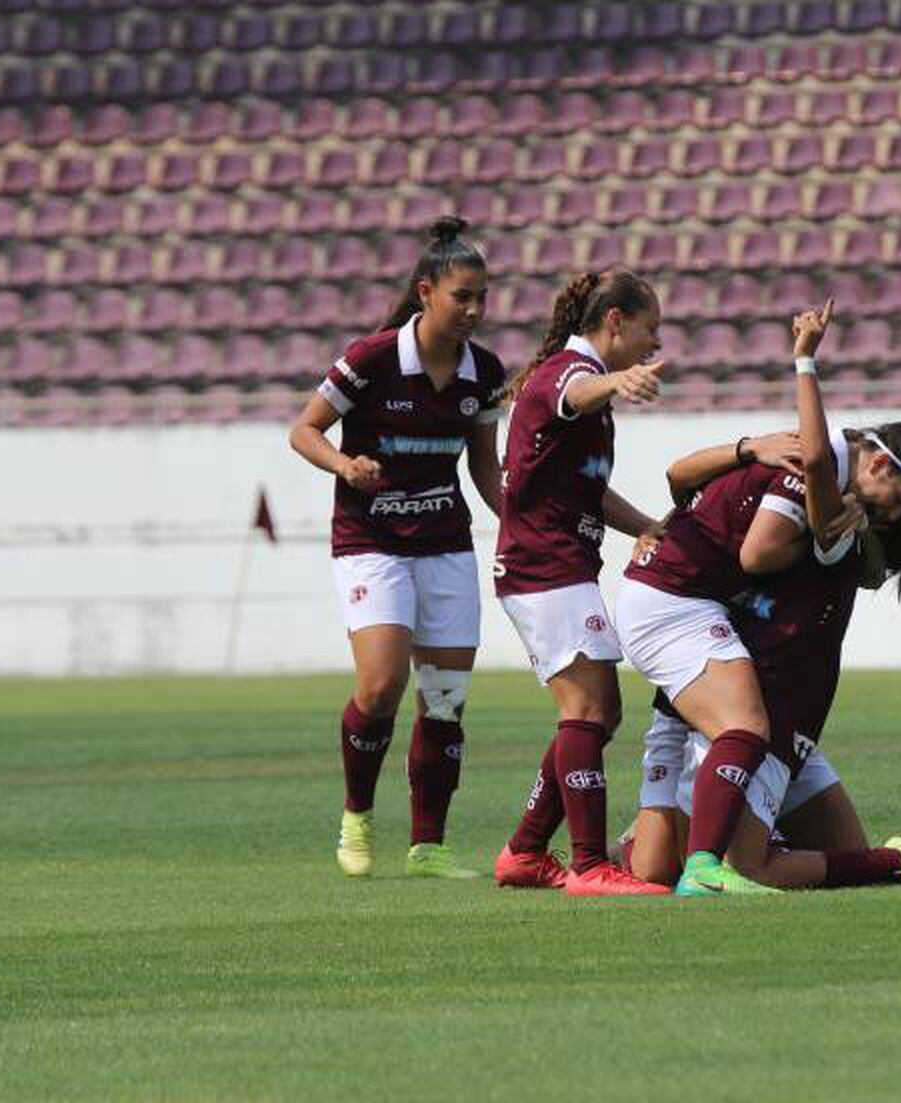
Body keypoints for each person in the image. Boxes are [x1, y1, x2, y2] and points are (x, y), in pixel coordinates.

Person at [616, 302, 901, 895]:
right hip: (760, 689)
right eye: (897, 499)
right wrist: (758, 434)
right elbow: (753, 490)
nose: (892, 514)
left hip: (785, 707)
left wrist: (804, 364)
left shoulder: (841, 519)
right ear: (876, 462)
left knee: (792, 860)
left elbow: (817, 487)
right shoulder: (825, 496)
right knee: (698, 862)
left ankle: (885, 860)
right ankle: (701, 850)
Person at [287, 216, 505, 880]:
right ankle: (357, 816)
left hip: (444, 543)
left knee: (444, 696)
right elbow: (304, 430)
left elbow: (486, 470)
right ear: (425, 292)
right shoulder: (373, 357)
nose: (472, 309)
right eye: (460, 296)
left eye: (480, 298)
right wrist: (344, 466)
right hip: (371, 540)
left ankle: (428, 846)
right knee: (380, 686)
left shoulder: (484, 372)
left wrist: (522, 527)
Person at [488, 269, 676, 897]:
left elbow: (590, 489)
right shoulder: (566, 375)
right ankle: (589, 864)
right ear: (615, 321)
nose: (654, 342)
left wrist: (646, 525)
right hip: (545, 569)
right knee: (589, 708)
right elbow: (577, 390)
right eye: (649, 328)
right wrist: (616, 380)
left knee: (596, 711)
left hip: (556, 567)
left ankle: (524, 852)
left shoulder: (584, 391)